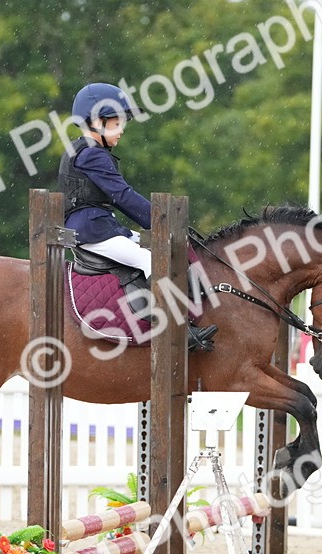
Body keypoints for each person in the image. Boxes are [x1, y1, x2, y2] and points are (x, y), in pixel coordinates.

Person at [59, 82, 217, 352]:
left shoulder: (87, 151)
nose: (121, 130)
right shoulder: (91, 155)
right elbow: (124, 196)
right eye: (117, 123)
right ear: (97, 120)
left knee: (155, 248)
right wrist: (161, 221)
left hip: (101, 226)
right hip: (92, 231)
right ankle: (175, 332)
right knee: (150, 259)